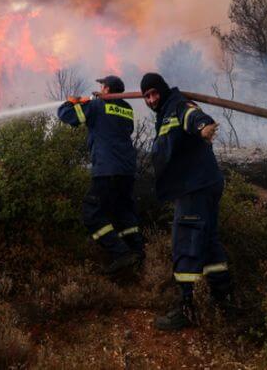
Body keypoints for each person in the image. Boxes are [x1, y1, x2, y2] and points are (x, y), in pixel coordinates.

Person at [140, 72, 232, 331]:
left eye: (154, 93)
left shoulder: (177, 105)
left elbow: (192, 116)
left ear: (163, 89)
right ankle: (223, 297)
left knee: (186, 244)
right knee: (209, 242)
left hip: (195, 188)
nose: (151, 99)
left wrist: (204, 126)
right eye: (146, 96)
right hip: (203, 184)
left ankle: (187, 308)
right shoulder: (165, 112)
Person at [57, 75, 144, 275]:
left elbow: (68, 116)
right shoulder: (127, 109)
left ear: (106, 89)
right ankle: (138, 255)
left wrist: (70, 103)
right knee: (123, 214)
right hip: (127, 171)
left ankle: (121, 253)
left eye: (102, 86)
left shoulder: (98, 106)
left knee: (92, 214)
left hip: (107, 170)